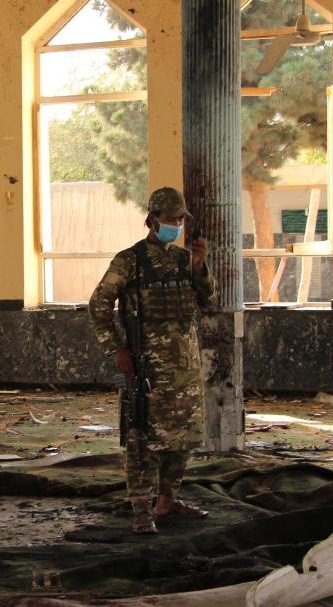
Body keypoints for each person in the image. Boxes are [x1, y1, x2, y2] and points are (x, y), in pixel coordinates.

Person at [88, 186, 217, 534]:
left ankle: (167, 502)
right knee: (141, 440)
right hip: (147, 369)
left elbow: (209, 300)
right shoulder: (129, 260)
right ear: (153, 218)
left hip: (185, 369)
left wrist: (199, 265)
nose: (177, 224)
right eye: (171, 218)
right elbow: (98, 307)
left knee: (182, 439)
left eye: (181, 219)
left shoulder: (184, 260)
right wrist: (116, 349)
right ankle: (141, 510)